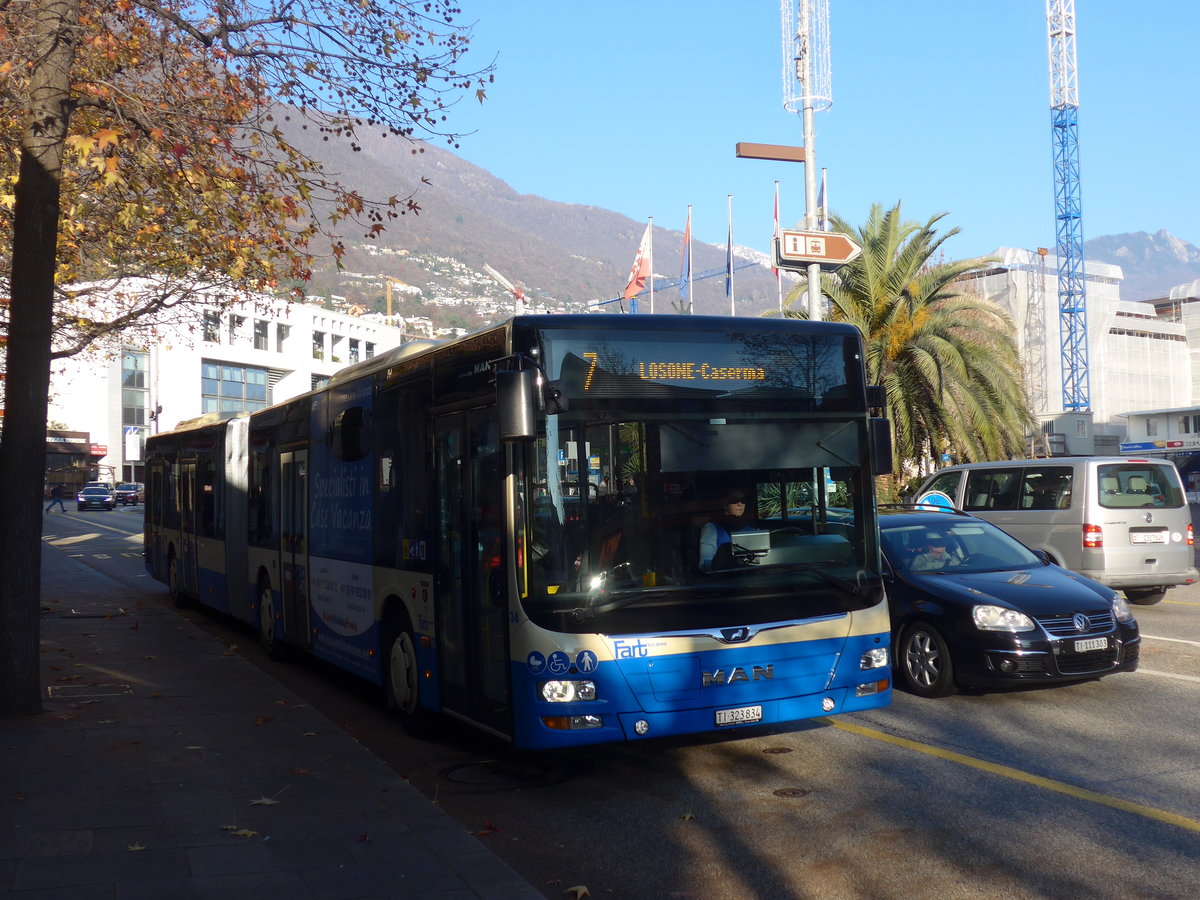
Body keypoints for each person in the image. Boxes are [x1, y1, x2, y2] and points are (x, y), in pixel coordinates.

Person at [699, 489, 758, 571]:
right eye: (735, 500)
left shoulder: (752, 530)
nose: (740, 504)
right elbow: (704, 564)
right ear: (724, 504)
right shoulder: (711, 528)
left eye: (743, 500)